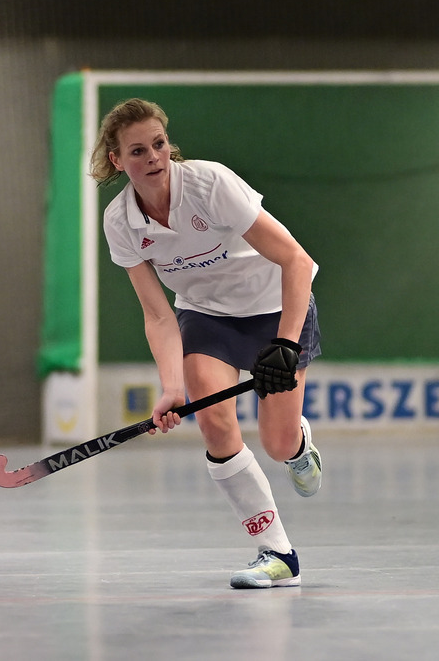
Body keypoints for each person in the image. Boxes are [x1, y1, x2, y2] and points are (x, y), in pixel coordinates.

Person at [90, 98, 323, 588]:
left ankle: (299, 444)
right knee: (214, 423)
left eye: (158, 144)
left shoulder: (209, 184)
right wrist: (172, 388)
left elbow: (298, 262)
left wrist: (284, 343)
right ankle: (277, 553)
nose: (153, 156)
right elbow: (157, 314)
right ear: (117, 160)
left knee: (277, 444)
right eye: (138, 150)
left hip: (274, 307)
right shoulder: (120, 222)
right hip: (207, 316)